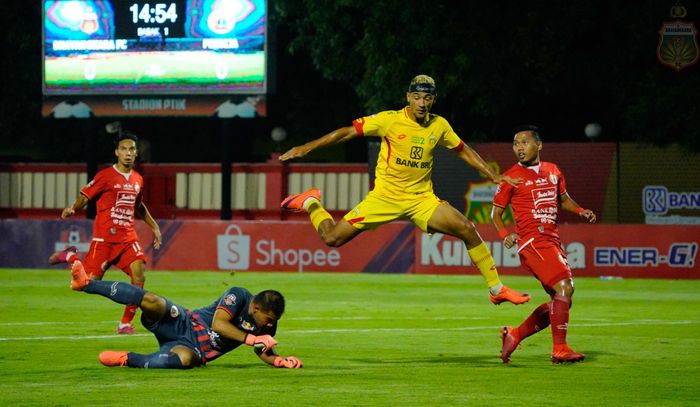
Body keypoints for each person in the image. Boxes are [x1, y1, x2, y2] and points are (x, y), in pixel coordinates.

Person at [279, 74, 529, 305]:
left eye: (427, 98)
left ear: (434, 100)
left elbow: (462, 149)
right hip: (384, 198)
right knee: (332, 238)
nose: (422, 103)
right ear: (408, 97)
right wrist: (306, 147)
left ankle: (497, 289)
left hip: (421, 200)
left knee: (467, 228)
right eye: (417, 97)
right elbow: (346, 132)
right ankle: (311, 202)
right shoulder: (389, 120)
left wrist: (492, 174)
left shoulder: (439, 125)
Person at [65, 259, 302, 369]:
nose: (270, 325)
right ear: (257, 308)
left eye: (273, 322)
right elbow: (220, 324)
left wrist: (280, 361)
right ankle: (86, 283)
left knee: (185, 361)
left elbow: (263, 350)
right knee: (151, 300)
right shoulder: (238, 295)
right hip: (184, 323)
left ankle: (127, 358)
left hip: (195, 350)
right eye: (268, 320)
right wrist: (252, 339)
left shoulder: (267, 325)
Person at [491, 125, 597, 364]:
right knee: (565, 288)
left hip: (552, 239)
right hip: (532, 240)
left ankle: (514, 334)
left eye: (524, 142)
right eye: (516, 144)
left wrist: (580, 210)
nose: (519, 148)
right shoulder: (511, 177)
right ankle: (560, 349)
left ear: (538, 145)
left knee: (560, 301)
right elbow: (495, 214)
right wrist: (505, 234)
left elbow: (563, 199)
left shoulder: (553, 170)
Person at [49, 131, 162, 334]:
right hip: (105, 240)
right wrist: (73, 208)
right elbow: (86, 195)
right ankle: (70, 256)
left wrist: (154, 227)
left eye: (132, 149)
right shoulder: (105, 175)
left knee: (139, 275)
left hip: (128, 239)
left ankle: (125, 324)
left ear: (136, 154)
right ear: (117, 152)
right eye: (124, 149)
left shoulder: (138, 179)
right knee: (86, 284)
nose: (128, 153)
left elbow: (139, 206)